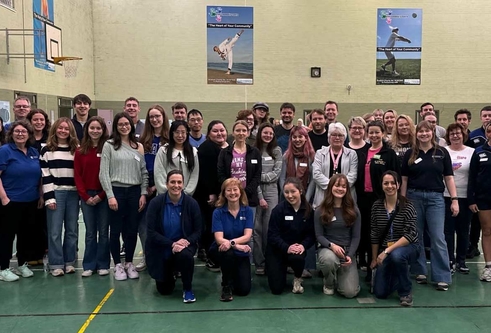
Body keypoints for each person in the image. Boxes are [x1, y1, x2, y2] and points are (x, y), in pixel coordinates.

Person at [401, 120, 459, 291]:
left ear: (433, 133)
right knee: (415, 235)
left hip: (436, 199)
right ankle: (419, 270)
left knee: (437, 237)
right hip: (413, 197)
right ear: (416, 134)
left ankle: (441, 276)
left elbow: (448, 177)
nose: (424, 134)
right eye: (421, 131)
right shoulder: (410, 153)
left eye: (427, 131)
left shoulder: (442, 153)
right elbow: (404, 179)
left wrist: (454, 199)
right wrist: (403, 201)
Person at [99, 112, 148, 281]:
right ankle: (118, 265)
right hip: (116, 191)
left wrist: (143, 192)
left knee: (131, 230)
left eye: (127, 123)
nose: (124, 126)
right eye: (120, 124)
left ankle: (128, 262)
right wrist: (110, 195)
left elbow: (144, 172)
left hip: (134, 192)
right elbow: (103, 173)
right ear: (116, 126)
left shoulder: (138, 146)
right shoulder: (109, 145)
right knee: (116, 229)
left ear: (131, 125)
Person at [145, 170, 202, 302]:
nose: (176, 185)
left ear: (183, 184)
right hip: (163, 246)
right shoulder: (156, 203)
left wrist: (186, 241)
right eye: (172, 182)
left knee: (185, 256)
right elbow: (151, 232)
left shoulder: (191, 204)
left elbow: (198, 231)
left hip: (184, 247)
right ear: (166, 184)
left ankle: (188, 289)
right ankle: (171, 272)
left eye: (179, 182)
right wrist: (172, 244)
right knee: (164, 291)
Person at [354, 120, 399, 280]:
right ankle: (366, 264)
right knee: (364, 230)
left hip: (380, 198)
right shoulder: (362, 152)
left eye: (376, 132)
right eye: (371, 132)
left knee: (379, 231)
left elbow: (395, 177)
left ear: (382, 133)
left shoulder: (389, 154)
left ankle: (380, 264)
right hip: (362, 198)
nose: (373, 135)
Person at [0, 120, 42, 281]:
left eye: (24, 131)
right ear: (11, 134)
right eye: (17, 131)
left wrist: (40, 195)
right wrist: (4, 198)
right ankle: (3, 268)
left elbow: (38, 176)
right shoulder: (5, 151)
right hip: (10, 202)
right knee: (7, 236)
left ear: (29, 135)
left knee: (26, 235)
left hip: (30, 201)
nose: (20, 134)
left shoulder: (33, 152)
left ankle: (22, 264)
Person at [370, 171, 419, 306]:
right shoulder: (376, 206)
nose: (389, 186)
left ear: (398, 185)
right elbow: (374, 233)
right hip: (386, 250)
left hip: (407, 247)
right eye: (386, 183)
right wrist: (375, 258)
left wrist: (386, 251)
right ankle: (397, 276)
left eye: (393, 183)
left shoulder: (408, 206)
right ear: (381, 186)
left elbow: (410, 235)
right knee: (380, 293)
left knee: (397, 256)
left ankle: (405, 293)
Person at [40, 118, 80, 277]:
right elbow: (45, 175)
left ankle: (69, 261)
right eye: (60, 128)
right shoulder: (46, 150)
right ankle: (56, 263)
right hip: (56, 192)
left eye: (66, 129)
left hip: (73, 193)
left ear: (71, 131)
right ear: (55, 129)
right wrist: (50, 198)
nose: (63, 131)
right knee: (55, 231)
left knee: (72, 230)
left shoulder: (76, 149)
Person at [74, 117, 111, 277]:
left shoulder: (108, 149)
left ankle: (103, 264)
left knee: (103, 231)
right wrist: (85, 196)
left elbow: (110, 174)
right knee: (90, 232)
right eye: (92, 128)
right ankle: (89, 265)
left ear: (103, 130)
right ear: (87, 130)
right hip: (86, 196)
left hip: (103, 195)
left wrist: (102, 195)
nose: (95, 131)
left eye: (98, 128)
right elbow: (77, 176)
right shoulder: (80, 151)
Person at [315, 173, 361, 298]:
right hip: (328, 250)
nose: (340, 189)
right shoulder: (320, 210)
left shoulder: (354, 210)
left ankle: (341, 275)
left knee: (350, 293)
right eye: (337, 185)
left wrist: (350, 255)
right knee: (329, 260)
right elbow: (319, 235)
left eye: (343, 186)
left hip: (347, 253)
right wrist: (331, 246)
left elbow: (356, 236)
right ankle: (329, 282)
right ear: (331, 187)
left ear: (347, 190)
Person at [266, 177, 315, 294]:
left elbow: (311, 235)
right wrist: (286, 248)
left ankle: (297, 278)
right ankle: (279, 270)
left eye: (293, 191)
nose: (290, 195)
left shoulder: (308, 210)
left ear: (300, 191)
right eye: (286, 192)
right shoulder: (278, 210)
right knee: (276, 289)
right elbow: (272, 235)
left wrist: (303, 246)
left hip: (297, 250)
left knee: (297, 257)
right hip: (277, 250)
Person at [137, 105, 170, 272]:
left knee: (164, 224)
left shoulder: (170, 139)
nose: (155, 119)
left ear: (163, 117)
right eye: (151, 117)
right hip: (146, 186)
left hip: (164, 187)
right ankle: (146, 256)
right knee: (144, 225)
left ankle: (166, 257)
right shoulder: (143, 141)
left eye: (158, 116)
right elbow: (141, 166)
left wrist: (158, 186)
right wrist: (146, 187)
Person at [194, 121, 229, 271]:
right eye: (215, 131)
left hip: (223, 194)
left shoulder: (226, 147)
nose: (219, 133)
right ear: (208, 134)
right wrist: (212, 193)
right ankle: (212, 258)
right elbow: (206, 174)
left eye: (222, 130)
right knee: (211, 227)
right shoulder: (207, 148)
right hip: (210, 197)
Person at [212, 178, 253, 301]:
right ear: (224, 193)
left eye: (235, 189)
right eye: (228, 190)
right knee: (227, 252)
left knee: (243, 290)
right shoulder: (218, 212)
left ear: (240, 192)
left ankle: (234, 276)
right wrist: (235, 245)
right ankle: (226, 285)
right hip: (221, 250)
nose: (232, 193)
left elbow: (247, 236)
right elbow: (219, 239)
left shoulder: (248, 211)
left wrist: (233, 243)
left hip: (240, 251)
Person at [443, 123, 474, 274]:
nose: (455, 136)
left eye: (458, 133)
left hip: (465, 197)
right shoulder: (443, 151)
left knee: (463, 230)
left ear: (463, 135)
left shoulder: (471, 152)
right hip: (445, 196)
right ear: (448, 137)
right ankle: (450, 261)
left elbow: (474, 176)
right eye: (452, 134)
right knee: (447, 231)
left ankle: (461, 261)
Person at [253, 123, 282, 275]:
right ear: (260, 134)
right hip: (255, 191)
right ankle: (259, 262)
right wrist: (259, 195)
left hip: (272, 191)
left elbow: (276, 173)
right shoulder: (253, 150)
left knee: (269, 227)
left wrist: (259, 177)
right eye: (265, 133)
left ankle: (271, 260)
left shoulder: (277, 150)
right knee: (256, 228)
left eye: (271, 133)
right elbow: (252, 174)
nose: (268, 135)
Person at [218, 120, 262, 217]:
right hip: (230, 197)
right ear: (233, 133)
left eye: (244, 130)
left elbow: (257, 175)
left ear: (248, 133)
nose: (241, 133)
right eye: (238, 130)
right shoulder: (225, 153)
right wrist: (231, 191)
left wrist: (244, 193)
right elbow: (221, 174)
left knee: (249, 229)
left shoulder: (255, 152)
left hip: (249, 198)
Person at [312, 122, 358, 208]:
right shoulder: (320, 153)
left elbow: (353, 176)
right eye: (334, 135)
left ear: (344, 138)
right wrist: (333, 187)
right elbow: (316, 174)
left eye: (340, 135)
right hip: (324, 196)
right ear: (329, 137)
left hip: (345, 197)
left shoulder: (352, 154)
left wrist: (340, 188)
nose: (337, 138)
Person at [26, 109, 51, 264]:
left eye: (41, 119)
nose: (39, 122)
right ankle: (30, 254)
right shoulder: (25, 138)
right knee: (29, 221)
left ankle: (42, 252)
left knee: (43, 221)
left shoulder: (50, 139)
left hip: (46, 183)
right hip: (29, 184)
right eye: (35, 119)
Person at [468, 122, 491, 282]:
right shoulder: (479, 152)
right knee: (487, 231)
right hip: (484, 199)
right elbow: (472, 177)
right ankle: (489, 267)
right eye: (489, 130)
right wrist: (471, 199)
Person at [154, 120, 199, 195]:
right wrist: (168, 192)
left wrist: (186, 193)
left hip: (185, 197)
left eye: (183, 132)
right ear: (172, 133)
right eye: (177, 132)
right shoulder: (163, 151)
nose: (180, 135)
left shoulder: (193, 152)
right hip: (165, 196)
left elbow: (194, 175)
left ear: (187, 133)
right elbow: (159, 174)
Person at [280, 125, 316, 202]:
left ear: (305, 138)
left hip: (306, 196)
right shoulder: (286, 156)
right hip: (287, 197)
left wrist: (306, 198)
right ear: (291, 139)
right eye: (294, 137)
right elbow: (282, 178)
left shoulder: (311, 156)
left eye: (300, 136)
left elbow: (313, 180)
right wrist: (286, 194)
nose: (297, 139)